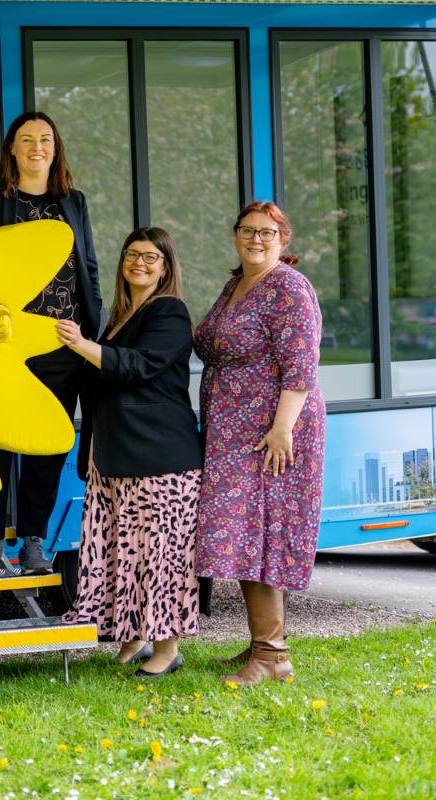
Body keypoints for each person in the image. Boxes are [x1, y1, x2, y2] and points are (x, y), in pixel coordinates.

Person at [0, 111, 102, 579]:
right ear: (13, 150)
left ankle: (33, 542)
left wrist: (89, 326)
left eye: (45, 139)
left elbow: (89, 268)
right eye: (27, 139)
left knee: (45, 449)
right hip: (3, 351)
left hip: (63, 348)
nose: (37, 147)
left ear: (55, 148)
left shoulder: (73, 202)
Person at [55, 229, 203, 677]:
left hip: (160, 457)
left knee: (162, 555)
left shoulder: (170, 313)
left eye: (150, 256)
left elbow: (138, 367)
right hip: (115, 453)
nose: (139, 263)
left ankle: (166, 650)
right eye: (132, 255)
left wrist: (82, 345)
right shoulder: (119, 314)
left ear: (165, 266)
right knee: (126, 552)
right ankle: (134, 636)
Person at [194, 201, 324, 686]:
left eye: (267, 232)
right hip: (235, 432)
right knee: (246, 533)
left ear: (283, 239)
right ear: (236, 236)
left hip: (272, 433)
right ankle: (262, 644)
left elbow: (301, 367)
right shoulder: (238, 284)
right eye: (248, 231)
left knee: (259, 534)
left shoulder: (288, 288)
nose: (256, 239)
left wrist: (282, 429)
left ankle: (273, 657)